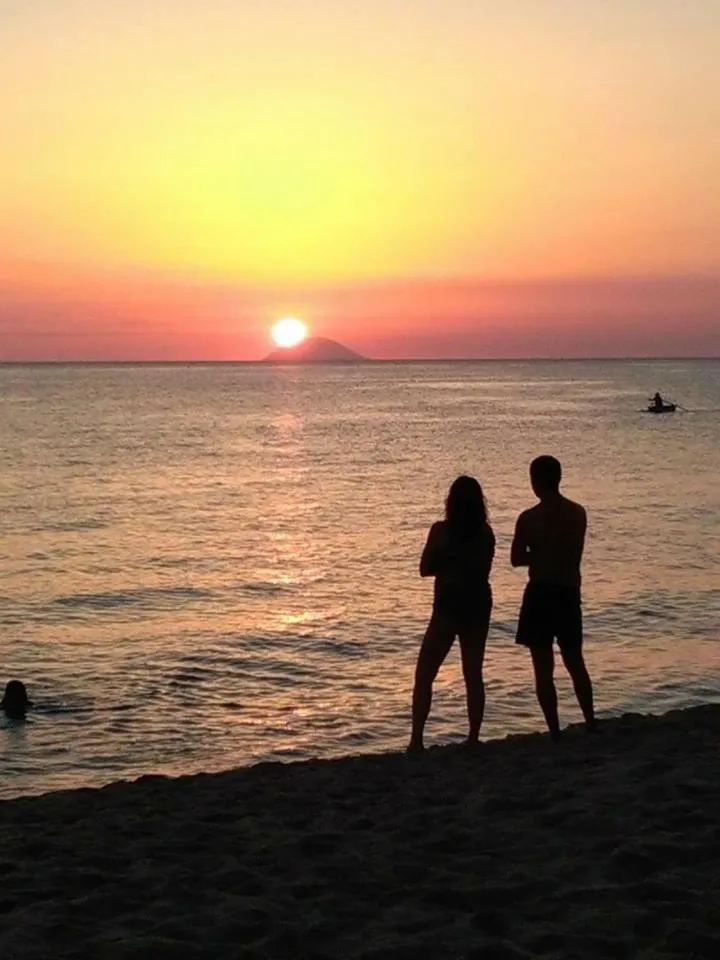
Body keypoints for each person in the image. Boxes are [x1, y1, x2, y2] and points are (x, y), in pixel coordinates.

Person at [408, 476, 495, 753]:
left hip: (449, 604)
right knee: (473, 672)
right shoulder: (485, 533)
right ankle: (473, 737)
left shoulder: (441, 532)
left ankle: (417, 740)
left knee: (425, 674)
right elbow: (481, 571)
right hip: (478, 602)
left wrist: (445, 562)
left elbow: (424, 568)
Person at [511, 456, 596, 739]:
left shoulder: (528, 518)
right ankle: (591, 721)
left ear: (535, 482)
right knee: (575, 661)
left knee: (543, 667)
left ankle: (554, 730)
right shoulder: (578, 513)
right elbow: (574, 551)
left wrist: (539, 554)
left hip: (540, 592)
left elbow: (515, 558)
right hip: (568, 591)